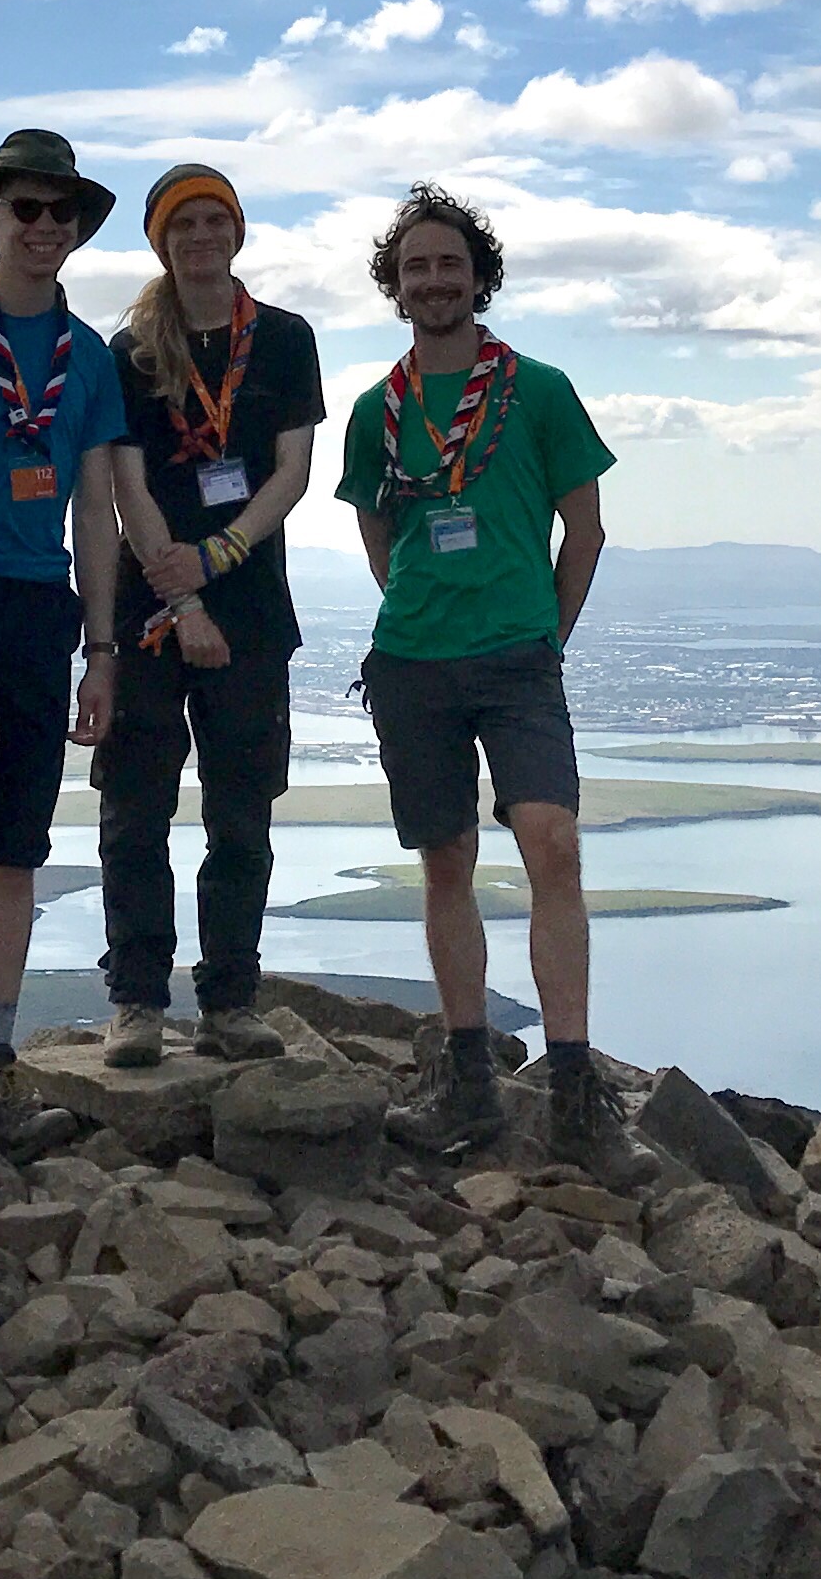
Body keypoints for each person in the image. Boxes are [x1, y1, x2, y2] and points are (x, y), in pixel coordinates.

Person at [331, 180, 645, 1185]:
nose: (433, 280)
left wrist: (545, 634)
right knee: (446, 860)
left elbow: (585, 530)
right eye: (415, 266)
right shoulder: (377, 410)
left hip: (517, 659)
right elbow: (380, 537)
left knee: (552, 843)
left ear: (480, 279)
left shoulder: (539, 391)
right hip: (414, 661)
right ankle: (468, 1079)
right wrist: (428, 610)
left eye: (450, 264)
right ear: (395, 284)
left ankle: (575, 1089)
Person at [93, 162, 321, 1065]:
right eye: (181, 225)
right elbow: (127, 487)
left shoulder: (285, 340)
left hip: (252, 608)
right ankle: (137, 1003)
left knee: (242, 814)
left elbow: (291, 473)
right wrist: (183, 597)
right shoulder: (129, 352)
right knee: (134, 813)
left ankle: (230, 1000)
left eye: (213, 221)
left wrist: (220, 557)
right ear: (162, 242)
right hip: (151, 608)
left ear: (236, 233)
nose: (200, 237)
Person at [0, 129, 132, 1124]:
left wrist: (100, 650)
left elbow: (96, 511)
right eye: (26, 208)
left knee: (12, 850)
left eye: (62, 211)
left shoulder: (86, 356)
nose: (44, 225)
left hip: (35, 612)